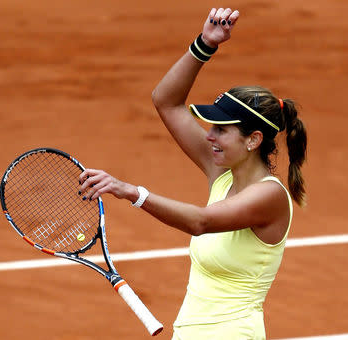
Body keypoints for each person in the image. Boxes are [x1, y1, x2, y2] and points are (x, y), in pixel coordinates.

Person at [78, 6, 307, 340]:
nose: (209, 136)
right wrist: (205, 44)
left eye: (221, 129)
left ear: (253, 140)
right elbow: (166, 102)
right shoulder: (222, 173)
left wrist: (131, 192)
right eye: (210, 126)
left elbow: (201, 222)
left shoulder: (269, 196)